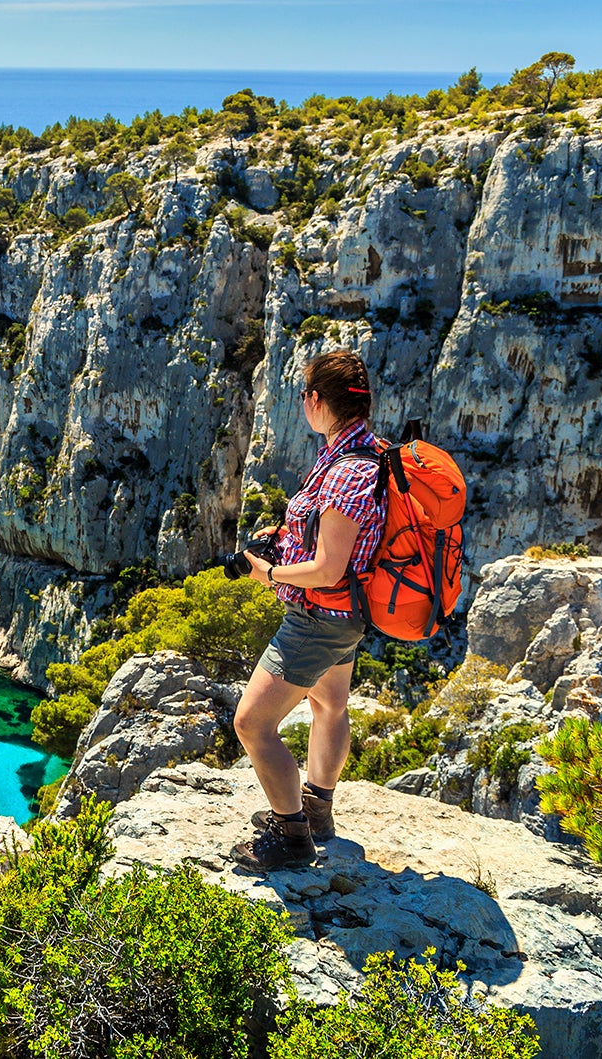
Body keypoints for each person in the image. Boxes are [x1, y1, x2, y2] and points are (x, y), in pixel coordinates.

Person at [228, 350, 385, 872]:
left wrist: (266, 573)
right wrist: (285, 537)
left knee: (252, 723)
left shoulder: (349, 472)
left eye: (303, 395)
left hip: (318, 617)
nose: (301, 404)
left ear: (317, 401)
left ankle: (292, 835)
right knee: (329, 705)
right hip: (348, 617)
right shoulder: (366, 452)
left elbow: (327, 569)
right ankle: (317, 807)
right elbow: (335, 536)